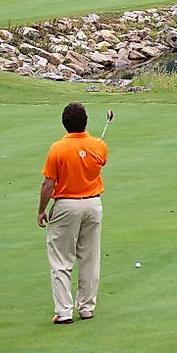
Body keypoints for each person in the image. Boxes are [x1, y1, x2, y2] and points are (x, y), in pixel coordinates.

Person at [37, 102, 108, 325]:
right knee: (89, 258)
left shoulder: (57, 148)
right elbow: (99, 161)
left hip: (67, 205)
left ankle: (64, 311)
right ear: (85, 122)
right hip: (93, 206)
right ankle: (86, 308)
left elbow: (48, 184)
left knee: (61, 259)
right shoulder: (99, 145)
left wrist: (41, 210)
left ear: (64, 124)